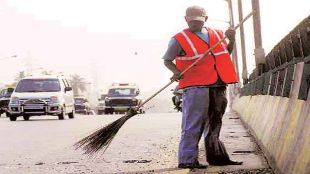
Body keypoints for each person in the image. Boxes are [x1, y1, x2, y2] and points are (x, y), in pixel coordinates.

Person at [162, 5, 242, 169]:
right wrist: (177, 72)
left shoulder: (218, 34)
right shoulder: (179, 39)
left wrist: (231, 39)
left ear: (206, 19)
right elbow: (167, 60)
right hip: (196, 86)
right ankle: (187, 159)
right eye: (191, 21)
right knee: (193, 123)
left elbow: (225, 53)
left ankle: (216, 157)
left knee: (215, 122)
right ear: (186, 20)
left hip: (218, 84)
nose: (194, 24)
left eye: (198, 21)